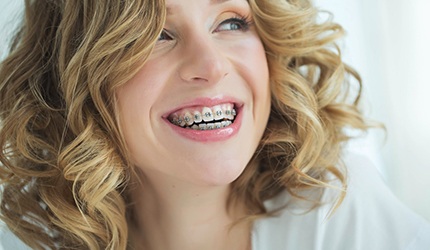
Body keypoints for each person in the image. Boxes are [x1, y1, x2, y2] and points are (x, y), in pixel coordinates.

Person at [0, 0, 429, 249]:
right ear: (72, 79)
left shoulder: (336, 212)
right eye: (156, 36)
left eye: (230, 22)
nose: (211, 65)